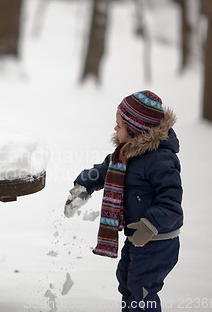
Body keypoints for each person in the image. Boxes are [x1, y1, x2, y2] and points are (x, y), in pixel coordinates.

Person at [65, 90, 183, 312]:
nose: (115, 129)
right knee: (127, 282)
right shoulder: (125, 154)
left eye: (119, 125)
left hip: (158, 240)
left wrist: (150, 224)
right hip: (136, 235)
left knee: (142, 288)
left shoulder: (160, 160)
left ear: (135, 130)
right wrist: (84, 186)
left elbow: (171, 203)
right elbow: (104, 171)